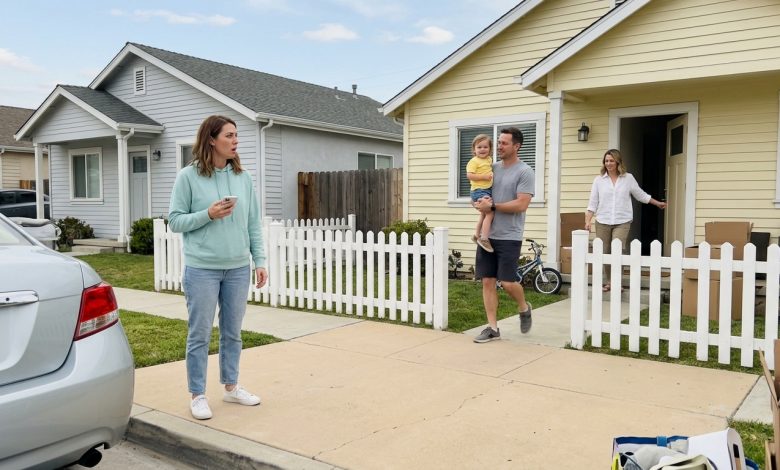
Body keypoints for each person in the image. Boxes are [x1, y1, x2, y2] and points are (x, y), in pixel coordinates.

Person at [168, 115, 268, 420]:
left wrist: (259, 261)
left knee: (232, 332)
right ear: (212, 139)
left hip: (238, 268)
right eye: (230, 135)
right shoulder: (188, 176)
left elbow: (253, 223)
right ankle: (197, 394)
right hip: (202, 269)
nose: (236, 141)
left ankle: (231, 387)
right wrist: (208, 214)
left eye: (237, 135)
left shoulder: (244, 178)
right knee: (199, 334)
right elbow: (174, 220)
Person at [472, 127, 535, 343]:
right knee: (488, 281)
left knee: (507, 282)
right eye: (498, 142)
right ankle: (492, 328)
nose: (499, 146)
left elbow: (522, 203)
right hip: (486, 236)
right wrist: (478, 203)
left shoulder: (525, 171)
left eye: (504, 143)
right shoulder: (491, 168)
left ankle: (524, 307)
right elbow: (479, 189)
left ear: (516, 146)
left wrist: (493, 208)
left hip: (509, 235)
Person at [584, 148, 667, 292]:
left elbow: (641, 195)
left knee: (617, 250)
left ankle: (618, 282)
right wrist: (587, 221)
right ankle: (610, 281)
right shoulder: (598, 180)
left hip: (622, 221)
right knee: (605, 251)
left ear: (618, 162)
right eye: (606, 161)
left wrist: (657, 203)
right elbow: (593, 203)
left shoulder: (628, 178)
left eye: (611, 160)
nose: (608, 163)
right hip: (603, 221)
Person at [466, 134, 495, 253]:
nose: (482, 149)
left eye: (485, 147)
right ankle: (484, 239)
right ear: (474, 149)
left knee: (483, 214)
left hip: (486, 189)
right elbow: (469, 175)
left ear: (490, 149)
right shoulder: (474, 161)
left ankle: (476, 235)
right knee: (490, 213)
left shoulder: (489, 160)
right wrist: (484, 176)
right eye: (479, 147)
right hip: (478, 191)